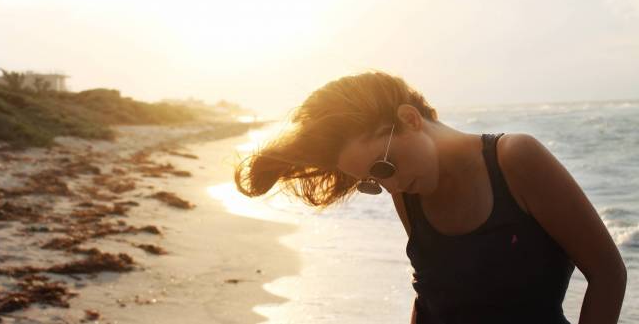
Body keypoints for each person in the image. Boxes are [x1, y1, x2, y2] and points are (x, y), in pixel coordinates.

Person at [233, 71, 626, 323]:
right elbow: (432, 297)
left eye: (383, 168)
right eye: (370, 182)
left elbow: (608, 274)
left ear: (409, 119)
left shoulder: (515, 160)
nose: (389, 187)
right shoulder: (408, 191)